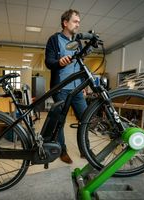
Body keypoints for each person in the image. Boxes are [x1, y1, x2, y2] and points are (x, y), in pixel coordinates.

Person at [45, 9, 87, 164]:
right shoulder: (54, 40)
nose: (78, 24)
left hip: (77, 89)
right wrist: (59, 62)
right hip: (61, 88)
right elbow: (49, 62)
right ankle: (62, 150)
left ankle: (85, 149)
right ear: (65, 22)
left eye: (78, 22)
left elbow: (81, 64)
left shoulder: (78, 41)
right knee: (59, 122)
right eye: (75, 21)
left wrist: (83, 84)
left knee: (85, 119)